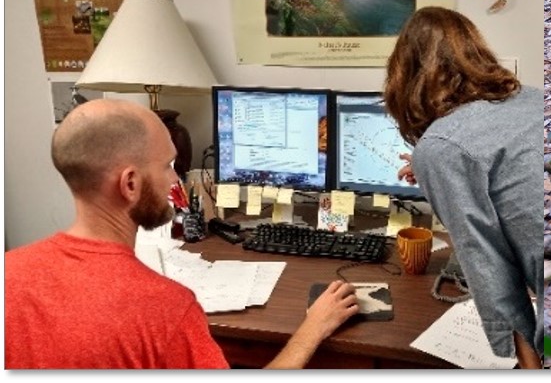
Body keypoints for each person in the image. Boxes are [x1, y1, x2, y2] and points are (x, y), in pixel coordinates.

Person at [4, 100, 358, 369]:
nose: (176, 181)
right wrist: (313, 327)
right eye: (167, 167)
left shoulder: (9, 272)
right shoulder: (165, 308)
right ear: (130, 184)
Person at [384, 9, 543, 367]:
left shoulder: (442, 148)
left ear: (405, 77)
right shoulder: (533, 98)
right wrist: (430, 166)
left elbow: (492, 274)